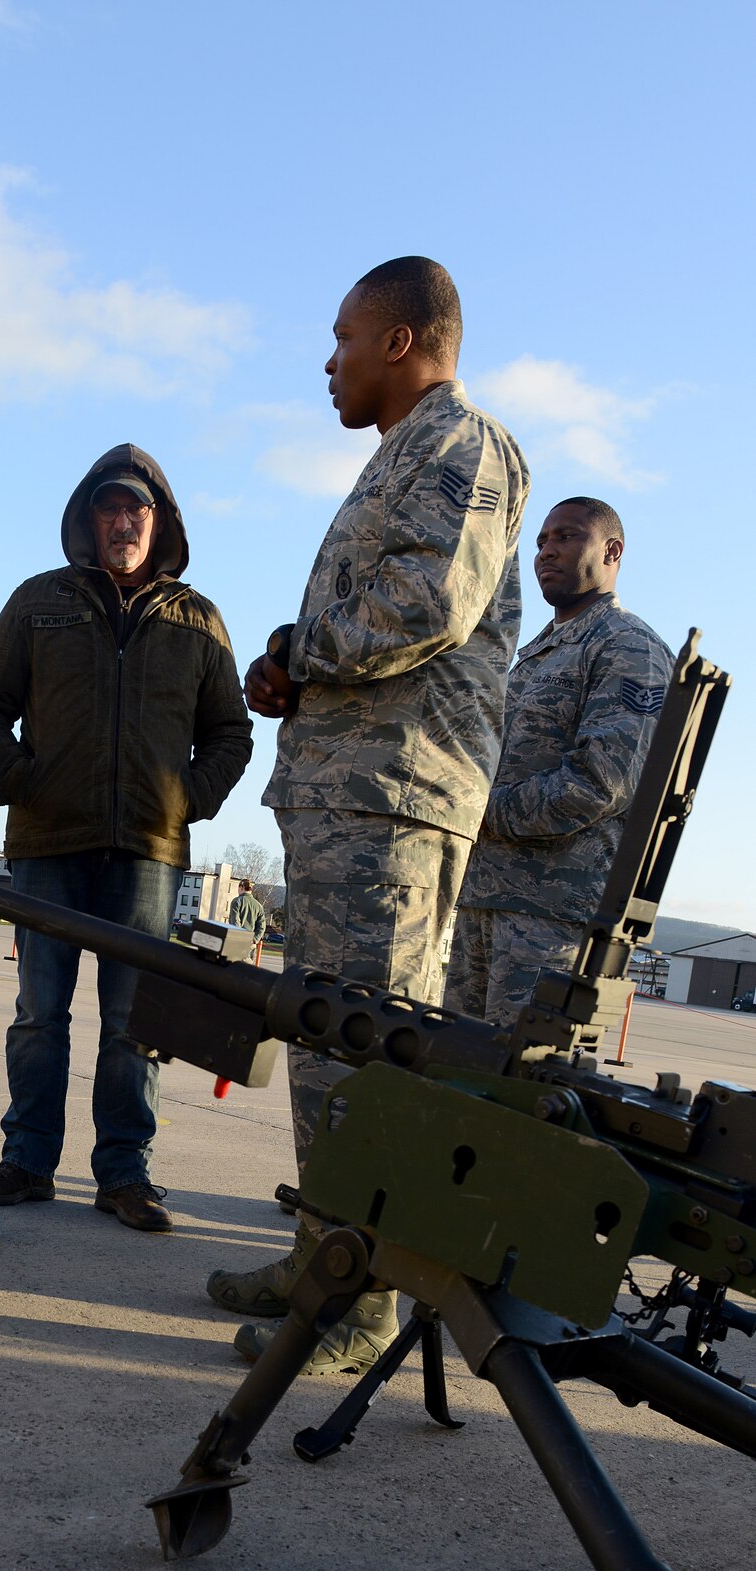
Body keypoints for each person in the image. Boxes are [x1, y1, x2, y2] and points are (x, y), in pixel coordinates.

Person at [208, 256, 529, 1365]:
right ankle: (322, 1256)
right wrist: (289, 667)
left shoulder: (463, 444)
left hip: (395, 800)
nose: (329, 359)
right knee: (328, 1042)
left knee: (375, 1055)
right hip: (352, 796)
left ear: (400, 340)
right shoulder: (402, 454)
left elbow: (426, 602)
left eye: (343, 336)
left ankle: (364, 1299)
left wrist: (307, 655)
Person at [0, 447, 252, 1232]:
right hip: (47, 844)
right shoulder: (37, 602)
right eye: (107, 509)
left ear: (160, 522)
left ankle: (126, 1175)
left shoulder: (198, 618)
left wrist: (184, 800)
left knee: (133, 1025)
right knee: (37, 1014)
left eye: (137, 510)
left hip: (148, 857)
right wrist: (22, 781)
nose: (122, 522)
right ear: (86, 521)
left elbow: (230, 731)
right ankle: (26, 1161)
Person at [444, 498, 673, 1024]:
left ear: (612, 551)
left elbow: (602, 781)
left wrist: (478, 811)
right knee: (455, 1069)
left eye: (567, 537)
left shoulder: (627, 646)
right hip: (484, 896)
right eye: (543, 540)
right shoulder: (537, 652)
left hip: (552, 914)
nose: (546, 551)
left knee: (519, 1080)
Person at [228, 877, 267, 945]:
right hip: (250, 943)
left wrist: (239, 937)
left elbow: (235, 921)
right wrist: (255, 939)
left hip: (237, 941)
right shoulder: (259, 906)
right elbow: (262, 926)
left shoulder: (236, 901)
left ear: (241, 887)